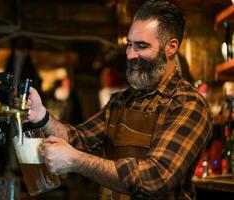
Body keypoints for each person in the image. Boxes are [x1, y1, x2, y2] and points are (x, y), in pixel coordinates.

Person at [26, 0, 212, 199]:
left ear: (171, 47)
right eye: (129, 44)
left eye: (141, 46)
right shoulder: (121, 101)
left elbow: (155, 178)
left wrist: (76, 161)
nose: (130, 54)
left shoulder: (188, 105)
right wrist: (42, 116)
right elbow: (78, 139)